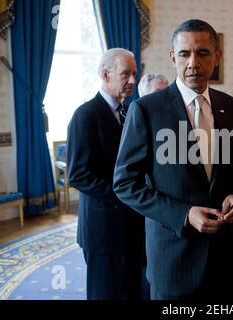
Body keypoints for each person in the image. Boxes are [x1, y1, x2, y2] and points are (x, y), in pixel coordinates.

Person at [113, 19, 233, 300]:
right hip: (174, 258)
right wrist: (184, 214)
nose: (193, 63)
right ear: (173, 57)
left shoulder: (229, 106)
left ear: (217, 57)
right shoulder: (146, 110)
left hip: (225, 256)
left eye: (203, 53)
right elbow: (125, 184)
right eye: (184, 54)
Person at [66, 48, 146, 300]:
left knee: (132, 289)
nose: (133, 80)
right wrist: (125, 195)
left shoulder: (129, 111)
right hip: (103, 229)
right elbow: (78, 175)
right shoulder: (85, 115)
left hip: (131, 225)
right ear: (105, 74)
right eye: (126, 74)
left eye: (134, 73)